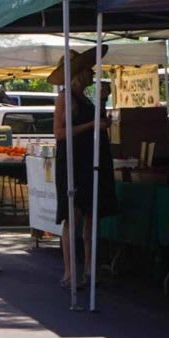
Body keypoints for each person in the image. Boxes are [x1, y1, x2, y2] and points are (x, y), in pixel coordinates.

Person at [49, 46, 117, 290]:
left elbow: (97, 123)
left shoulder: (86, 98)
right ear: (79, 73)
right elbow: (59, 133)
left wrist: (102, 105)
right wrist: (91, 125)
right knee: (73, 217)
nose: (92, 74)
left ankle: (89, 268)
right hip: (73, 162)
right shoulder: (65, 98)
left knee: (90, 217)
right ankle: (70, 272)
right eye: (88, 70)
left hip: (90, 159)